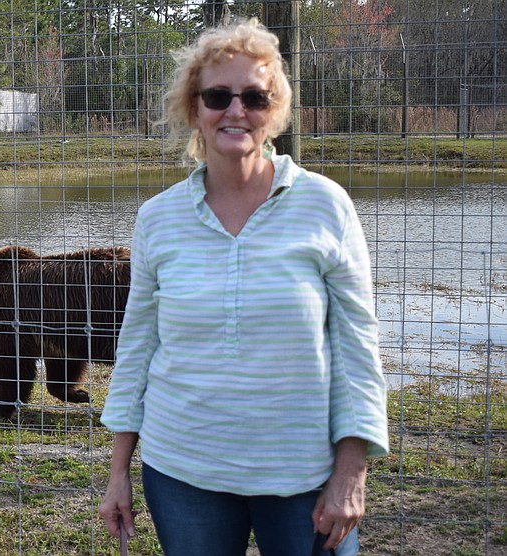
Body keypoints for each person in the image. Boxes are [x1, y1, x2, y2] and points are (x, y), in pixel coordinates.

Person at [97, 18, 389, 556]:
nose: (236, 110)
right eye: (218, 95)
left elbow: (357, 346)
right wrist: (118, 471)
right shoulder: (157, 219)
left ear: (275, 110)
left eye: (255, 97)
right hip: (183, 472)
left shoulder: (326, 205)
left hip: (304, 476)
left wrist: (351, 470)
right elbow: (137, 347)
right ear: (193, 108)